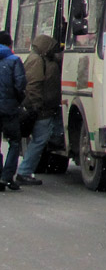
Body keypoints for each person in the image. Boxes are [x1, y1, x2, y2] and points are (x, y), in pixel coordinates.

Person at [14, 34, 63, 186]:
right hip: (41, 109)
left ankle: (24, 171)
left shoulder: (40, 59)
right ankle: (24, 172)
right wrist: (36, 106)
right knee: (39, 140)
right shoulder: (37, 61)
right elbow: (33, 84)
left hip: (44, 108)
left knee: (40, 140)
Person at [0, 30, 28, 191]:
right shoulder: (14, 60)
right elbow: (20, 85)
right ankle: (6, 177)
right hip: (9, 108)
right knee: (14, 142)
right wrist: (17, 101)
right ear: (10, 44)